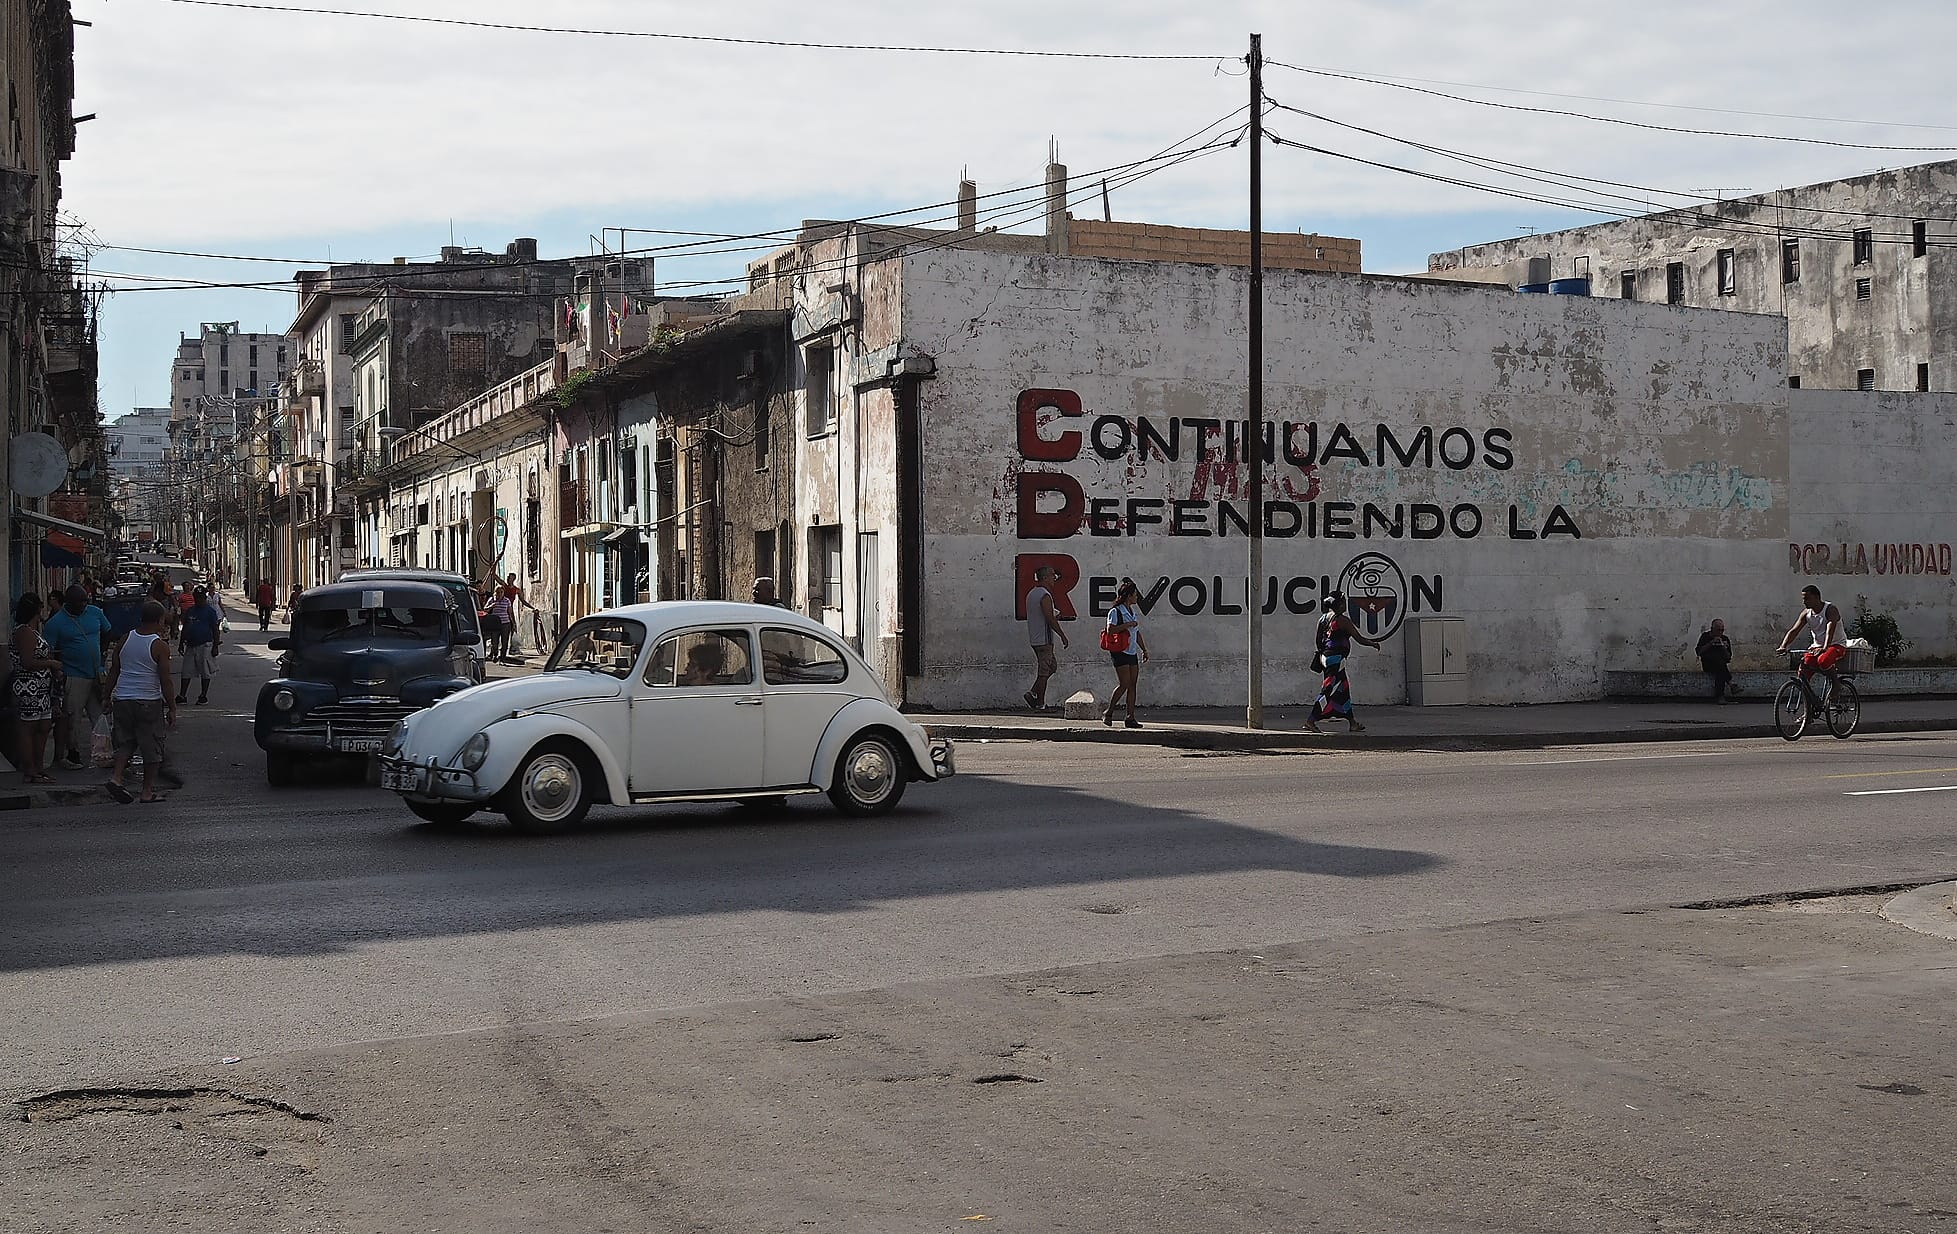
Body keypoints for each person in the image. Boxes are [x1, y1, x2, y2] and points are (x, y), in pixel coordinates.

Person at [106, 600, 178, 804]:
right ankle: (147, 792)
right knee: (152, 747)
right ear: (160, 620)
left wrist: (106, 695)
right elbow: (166, 680)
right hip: (148, 701)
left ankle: (117, 778)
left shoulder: (125, 638)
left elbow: (114, 670)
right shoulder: (159, 645)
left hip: (123, 699)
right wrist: (172, 707)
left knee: (126, 742)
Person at [42, 585, 111, 770]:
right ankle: (73, 752)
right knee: (73, 718)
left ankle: (103, 752)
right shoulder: (56, 623)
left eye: (85, 601)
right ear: (68, 603)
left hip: (96, 674)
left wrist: (103, 655)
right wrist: (57, 671)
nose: (83, 605)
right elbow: (48, 651)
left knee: (100, 715)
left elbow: (107, 631)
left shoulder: (95, 612)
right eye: (79, 602)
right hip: (73, 675)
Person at [1306, 591, 1384, 734]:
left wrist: (1324, 655)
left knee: (1343, 688)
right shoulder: (1343, 621)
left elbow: (1318, 641)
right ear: (1340, 604)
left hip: (1326, 658)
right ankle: (1311, 720)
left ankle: (1352, 723)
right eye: (1344, 602)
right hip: (1336, 660)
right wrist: (1372, 643)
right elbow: (1358, 638)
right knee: (1328, 689)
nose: (1345, 604)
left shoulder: (1323, 619)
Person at [9, 594, 61, 784]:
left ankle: (39, 768)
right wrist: (51, 663)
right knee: (28, 727)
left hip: (41, 687)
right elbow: (27, 662)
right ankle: (30, 770)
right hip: (27, 687)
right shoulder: (24, 632)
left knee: (43, 725)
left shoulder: (33, 631)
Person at [1774, 584, 1847, 701]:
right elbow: (1794, 631)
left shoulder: (1830, 609)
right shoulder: (1806, 613)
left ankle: (1836, 684)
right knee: (1803, 671)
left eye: (1807, 599)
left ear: (1817, 597)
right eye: (1803, 599)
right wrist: (1783, 646)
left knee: (1823, 660)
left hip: (1836, 645)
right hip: (1817, 647)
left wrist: (1825, 647)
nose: (1804, 602)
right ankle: (1809, 710)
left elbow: (1830, 629)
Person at [1100, 577, 1150, 729]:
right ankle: (1109, 712)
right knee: (1124, 683)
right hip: (1119, 651)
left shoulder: (1131, 611)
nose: (1136, 597)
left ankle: (1130, 716)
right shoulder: (1115, 611)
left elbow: (1136, 632)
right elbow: (1111, 629)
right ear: (1129, 595)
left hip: (1131, 651)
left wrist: (1144, 648)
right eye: (1135, 594)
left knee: (1132, 684)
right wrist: (1128, 624)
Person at [1022, 564, 1068, 710]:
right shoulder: (1044, 595)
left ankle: (1033, 693)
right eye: (1052, 575)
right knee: (1044, 672)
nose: (1054, 578)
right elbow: (1049, 618)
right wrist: (1062, 635)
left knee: (1051, 667)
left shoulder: (1032, 594)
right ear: (1045, 577)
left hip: (1035, 638)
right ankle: (1040, 703)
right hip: (1044, 639)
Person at [176, 586, 222, 706]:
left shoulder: (210, 612)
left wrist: (215, 646)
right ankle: (182, 695)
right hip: (191, 645)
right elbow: (185, 627)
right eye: (196, 598)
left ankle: (203, 696)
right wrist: (181, 643)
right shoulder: (191, 610)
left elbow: (215, 629)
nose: (199, 600)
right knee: (186, 671)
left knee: (205, 671)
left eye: (201, 598)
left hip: (205, 644)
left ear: (204, 598)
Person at [1696, 619, 1738, 704]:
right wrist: (1711, 643)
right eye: (1718, 630)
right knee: (1719, 663)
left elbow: (1728, 657)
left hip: (1721, 665)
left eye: (1722, 630)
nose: (1720, 632)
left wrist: (1723, 647)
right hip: (1708, 664)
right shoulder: (1705, 637)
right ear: (1712, 629)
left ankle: (1720, 697)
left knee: (1720, 668)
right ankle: (1730, 683)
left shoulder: (1725, 639)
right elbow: (1699, 652)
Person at [487, 574, 521, 662]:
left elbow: (510, 612)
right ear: (495, 593)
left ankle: (502, 658)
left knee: (504, 642)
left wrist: (513, 623)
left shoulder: (507, 601)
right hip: (495, 624)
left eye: (501, 592)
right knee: (494, 642)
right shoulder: (492, 600)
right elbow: (485, 609)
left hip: (505, 623)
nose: (500, 594)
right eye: (498, 592)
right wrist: (491, 606)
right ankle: (495, 654)